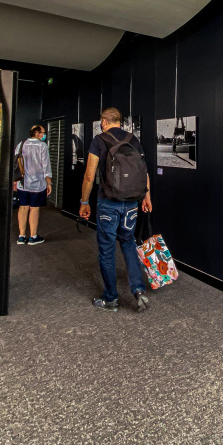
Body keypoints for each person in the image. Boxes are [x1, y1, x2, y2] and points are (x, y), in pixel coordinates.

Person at [80, 107, 152, 312]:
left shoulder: (99, 140)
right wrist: (146, 197)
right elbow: (144, 171)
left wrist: (84, 202)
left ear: (104, 121)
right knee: (129, 243)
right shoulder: (134, 139)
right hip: (131, 203)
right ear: (120, 121)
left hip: (108, 204)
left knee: (107, 249)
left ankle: (110, 298)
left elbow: (88, 175)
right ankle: (138, 290)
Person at [14, 125, 52, 245]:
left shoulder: (21, 144)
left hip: (23, 183)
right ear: (37, 133)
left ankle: (21, 236)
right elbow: (46, 165)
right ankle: (33, 237)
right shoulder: (42, 146)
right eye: (43, 132)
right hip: (38, 184)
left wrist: (14, 180)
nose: (44, 135)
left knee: (23, 207)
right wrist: (49, 183)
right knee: (34, 208)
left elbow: (15, 162)